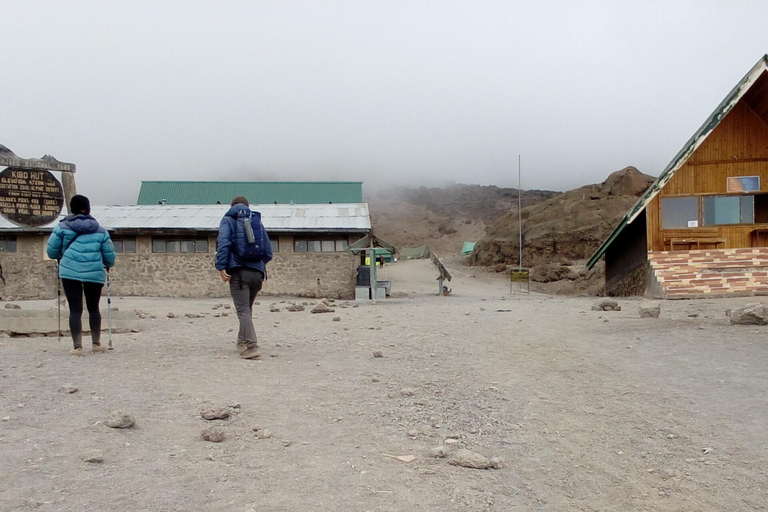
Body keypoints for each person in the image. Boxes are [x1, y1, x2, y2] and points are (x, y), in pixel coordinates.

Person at [46, 194, 116, 356]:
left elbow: (51, 252)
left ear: (72, 208)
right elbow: (109, 257)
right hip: (94, 273)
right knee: (93, 308)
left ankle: (77, 347)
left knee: (75, 310)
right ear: (88, 209)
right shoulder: (101, 230)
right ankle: (96, 343)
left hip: (69, 272)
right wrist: (108, 265)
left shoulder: (61, 228)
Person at [215, 196, 273, 359]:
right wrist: (258, 266)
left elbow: (223, 243)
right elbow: (268, 252)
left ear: (232, 206)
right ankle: (241, 342)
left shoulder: (228, 220)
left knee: (242, 310)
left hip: (239, 273)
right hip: (258, 273)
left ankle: (252, 347)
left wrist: (221, 266)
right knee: (247, 309)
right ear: (247, 206)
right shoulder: (256, 221)